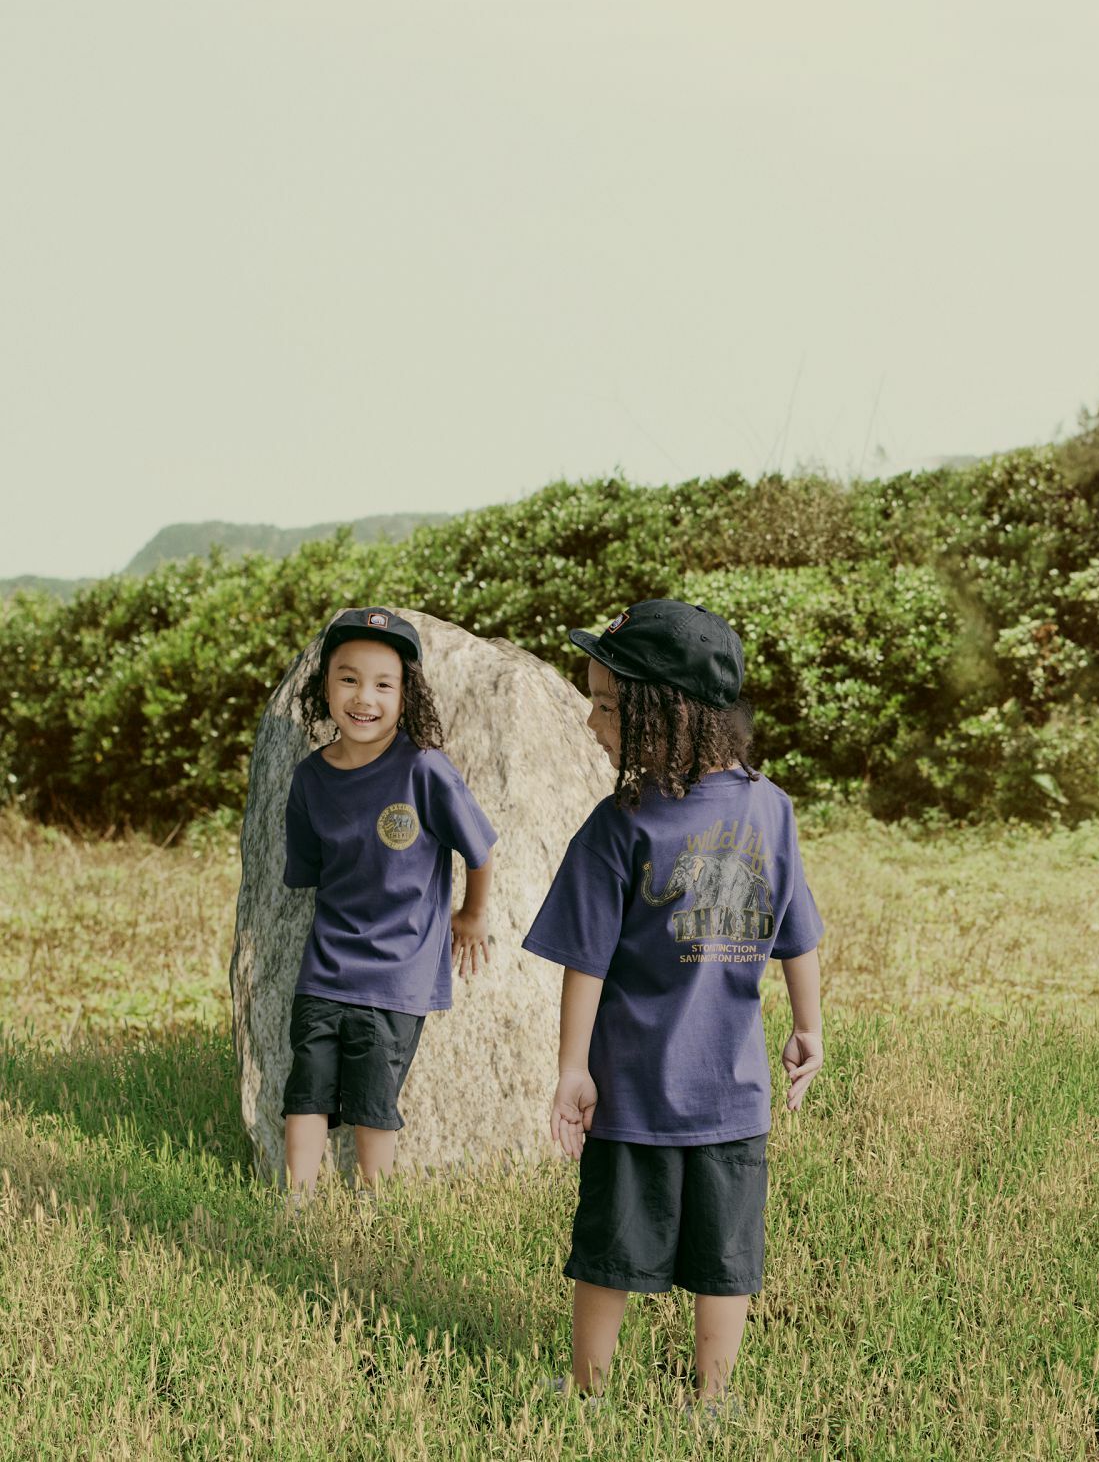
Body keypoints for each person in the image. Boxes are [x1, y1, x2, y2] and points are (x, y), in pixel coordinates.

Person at [522, 598, 824, 1409]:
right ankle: (705, 1403)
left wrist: (574, 1069)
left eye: (608, 706)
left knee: (620, 1250)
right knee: (723, 1256)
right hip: (725, 1094)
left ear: (671, 714)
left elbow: (584, 964)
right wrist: (807, 1027)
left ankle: (593, 1391)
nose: (591, 723)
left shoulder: (621, 824)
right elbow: (798, 935)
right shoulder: (769, 806)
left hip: (638, 1093)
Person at [281, 607, 496, 1203]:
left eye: (383, 684)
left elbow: (478, 850)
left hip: (396, 976)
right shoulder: (310, 780)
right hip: (324, 970)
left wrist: (472, 916)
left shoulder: (423, 768)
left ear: (407, 696)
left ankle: (372, 1209)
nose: (364, 697)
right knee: (306, 1091)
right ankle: (295, 1205)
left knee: (374, 1102)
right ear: (325, 686)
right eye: (348, 679)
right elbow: (309, 873)